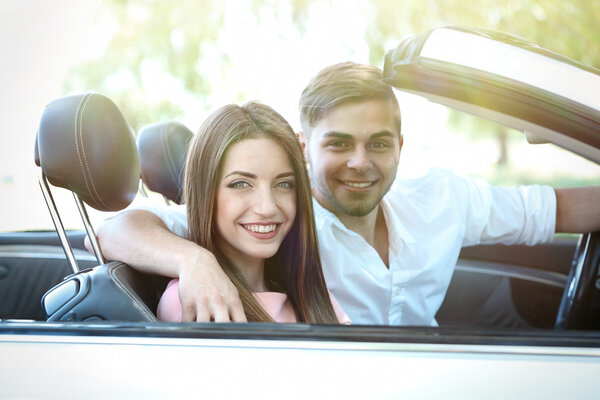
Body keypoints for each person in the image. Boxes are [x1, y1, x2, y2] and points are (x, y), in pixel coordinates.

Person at [95, 62, 600, 325]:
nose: (361, 162)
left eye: (378, 143)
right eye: (339, 143)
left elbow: (555, 207)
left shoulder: (444, 199)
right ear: (305, 146)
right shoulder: (279, 224)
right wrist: (193, 262)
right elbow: (116, 226)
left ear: (400, 146)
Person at [152, 101, 349, 323]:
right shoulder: (194, 299)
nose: (267, 208)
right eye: (241, 184)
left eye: (283, 184)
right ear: (205, 193)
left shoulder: (311, 295)